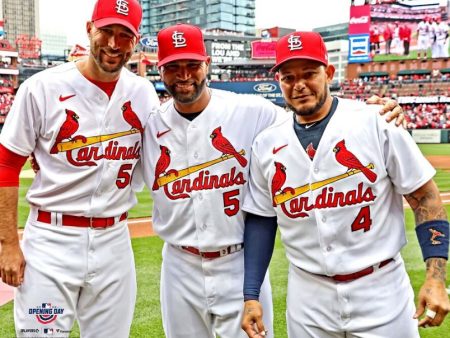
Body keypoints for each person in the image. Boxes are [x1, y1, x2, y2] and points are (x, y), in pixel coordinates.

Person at [240, 31, 450, 338]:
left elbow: (425, 198)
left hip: (381, 292)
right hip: (308, 297)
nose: (299, 85)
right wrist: (251, 295)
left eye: (309, 74)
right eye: (288, 77)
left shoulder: (375, 121)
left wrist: (436, 277)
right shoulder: (266, 143)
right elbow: (261, 219)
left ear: (329, 73)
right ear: (279, 82)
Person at [0, 0, 159, 337]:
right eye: (107, 31)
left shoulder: (143, 94)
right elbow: (6, 163)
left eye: (124, 35)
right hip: (51, 240)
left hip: (115, 241)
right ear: (89, 29)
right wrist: (8, 243)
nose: (114, 44)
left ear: (136, 41)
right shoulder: (41, 88)